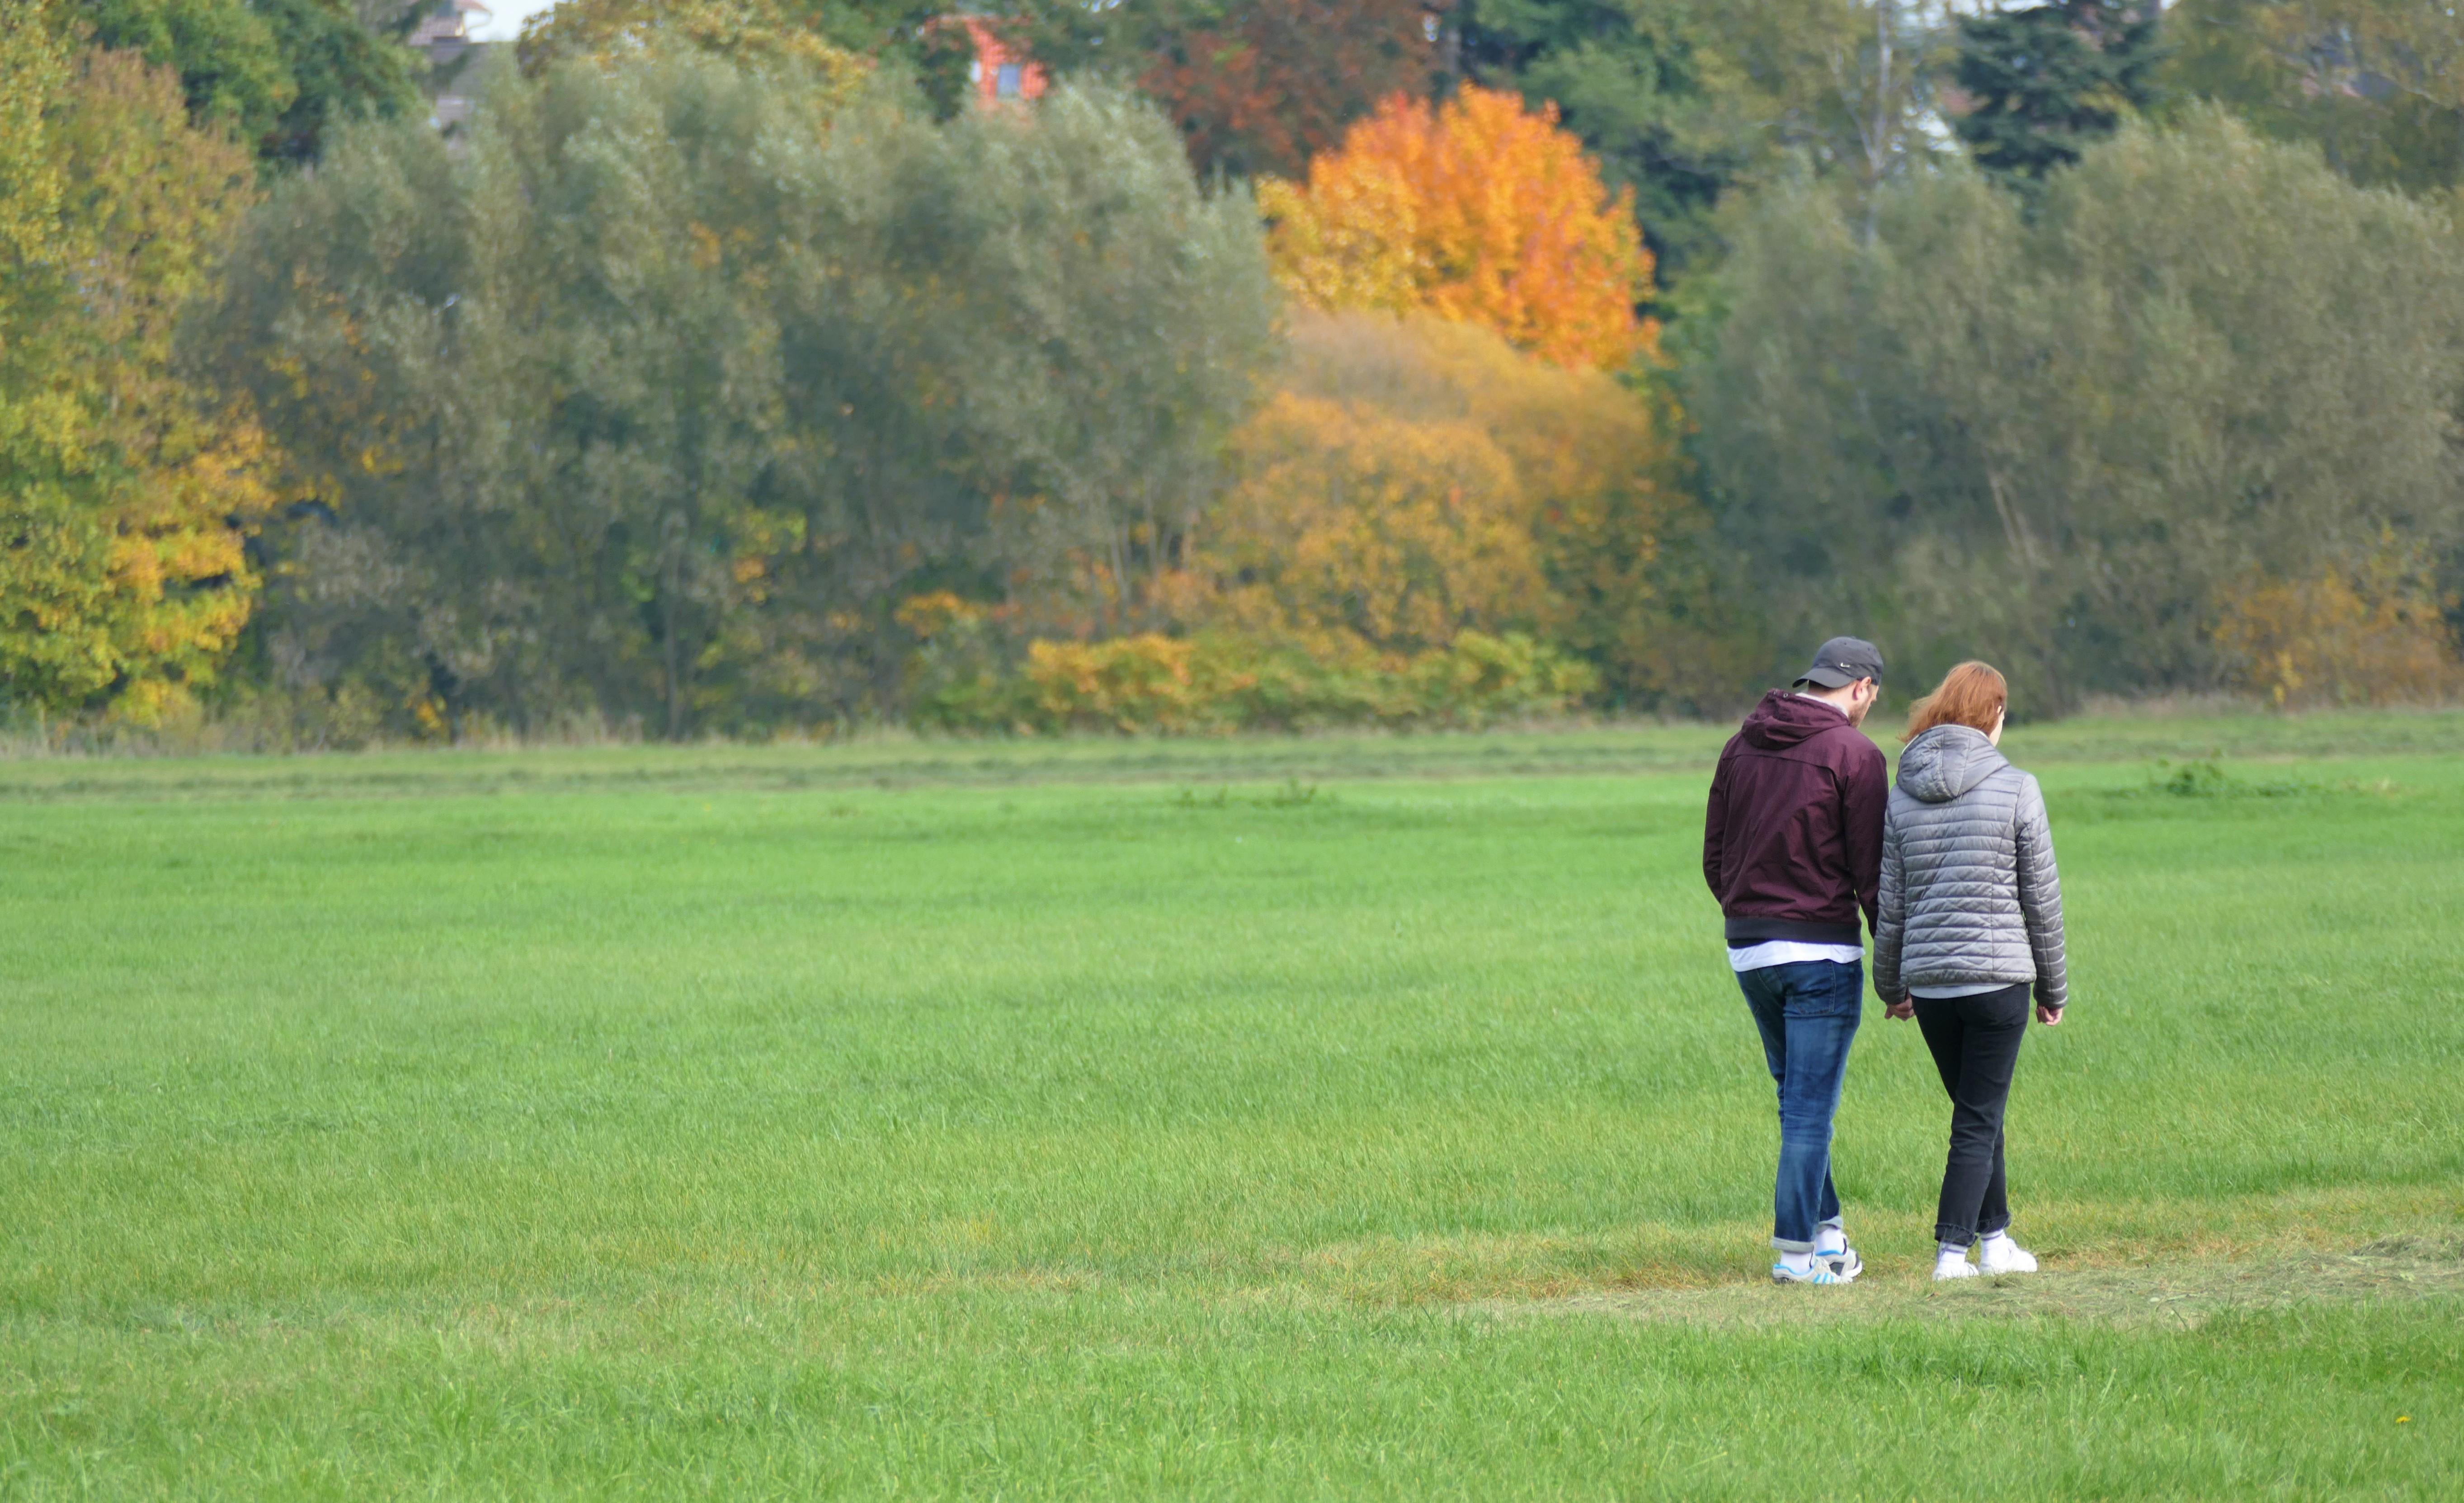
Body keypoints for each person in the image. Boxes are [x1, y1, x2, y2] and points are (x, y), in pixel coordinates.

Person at [1872, 661, 2068, 1281]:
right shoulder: (2017, 787)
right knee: (1978, 1116)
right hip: (1998, 981)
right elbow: (2042, 899)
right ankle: (1951, 1251)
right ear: (1994, 714)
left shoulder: (1902, 792)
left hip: (1931, 986)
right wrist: (2053, 987)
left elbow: (1891, 903)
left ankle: (1998, 1241)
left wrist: (1892, 985)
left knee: (1978, 1109)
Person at [1704, 636, 1888, 1285]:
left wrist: (1747, 910)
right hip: (1821, 954)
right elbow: (1873, 877)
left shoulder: (1739, 745)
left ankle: (1829, 1233)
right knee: (1810, 1108)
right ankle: (1794, 1256)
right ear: (1862, 688)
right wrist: (1894, 972)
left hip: (1750, 949)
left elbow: (1714, 858)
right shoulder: (1856, 754)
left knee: (1798, 1100)